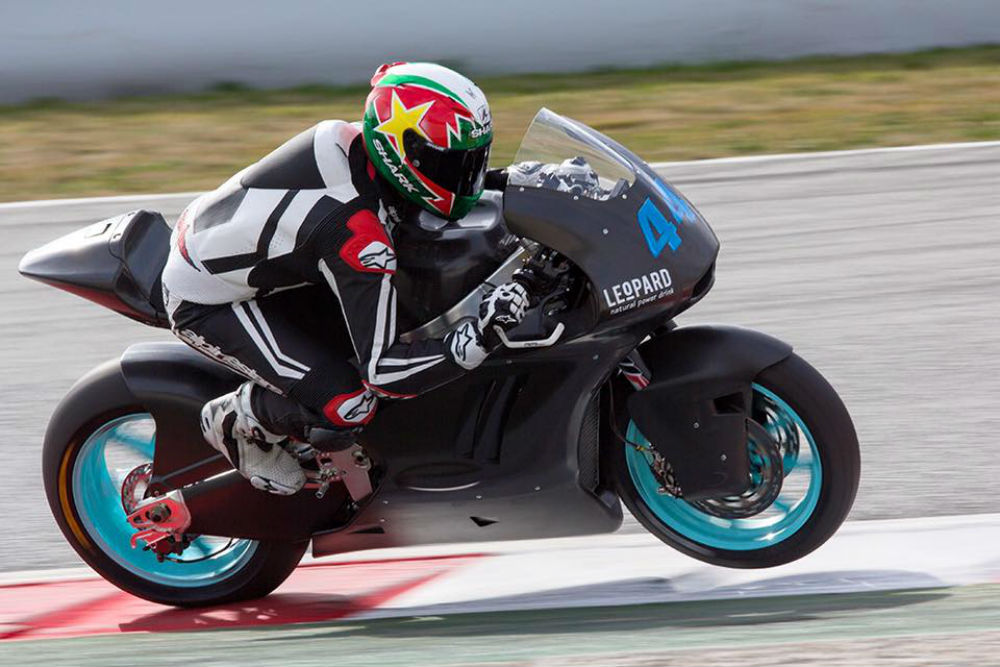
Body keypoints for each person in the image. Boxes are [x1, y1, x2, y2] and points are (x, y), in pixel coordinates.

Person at [160, 62, 529, 495]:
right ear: (402, 153)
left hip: (256, 259)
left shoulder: (360, 146)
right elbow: (384, 372)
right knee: (350, 403)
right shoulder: (357, 234)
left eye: (474, 161)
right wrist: (481, 336)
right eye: (450, 165)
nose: (466, 177)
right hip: (207, 300)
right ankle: (236, 421)